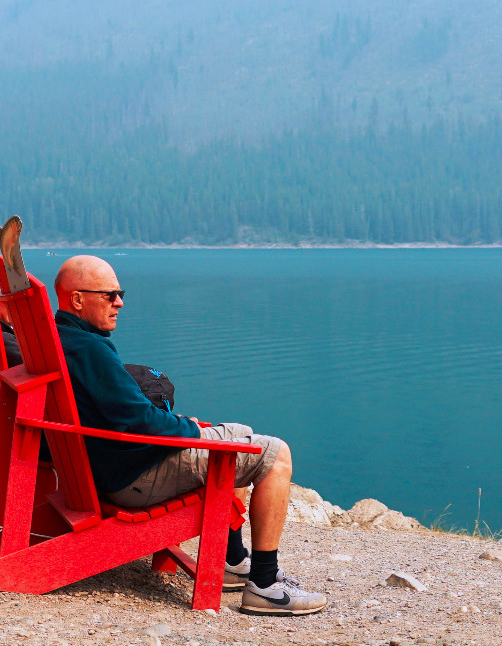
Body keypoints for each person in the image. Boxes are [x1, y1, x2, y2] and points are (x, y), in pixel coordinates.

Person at [49, 254, 329, 616]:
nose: (120, 302)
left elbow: (131, 415)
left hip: (103, 468)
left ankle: (231, 559)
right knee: (274, 454)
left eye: (120, 293)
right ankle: (265, 584)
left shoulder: (64, 338)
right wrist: (191, 429)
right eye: (109, 295)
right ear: (76, 300)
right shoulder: (90, 349)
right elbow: (142, 421)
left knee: (239, 435)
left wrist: (187, 427)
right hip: (129, 478)